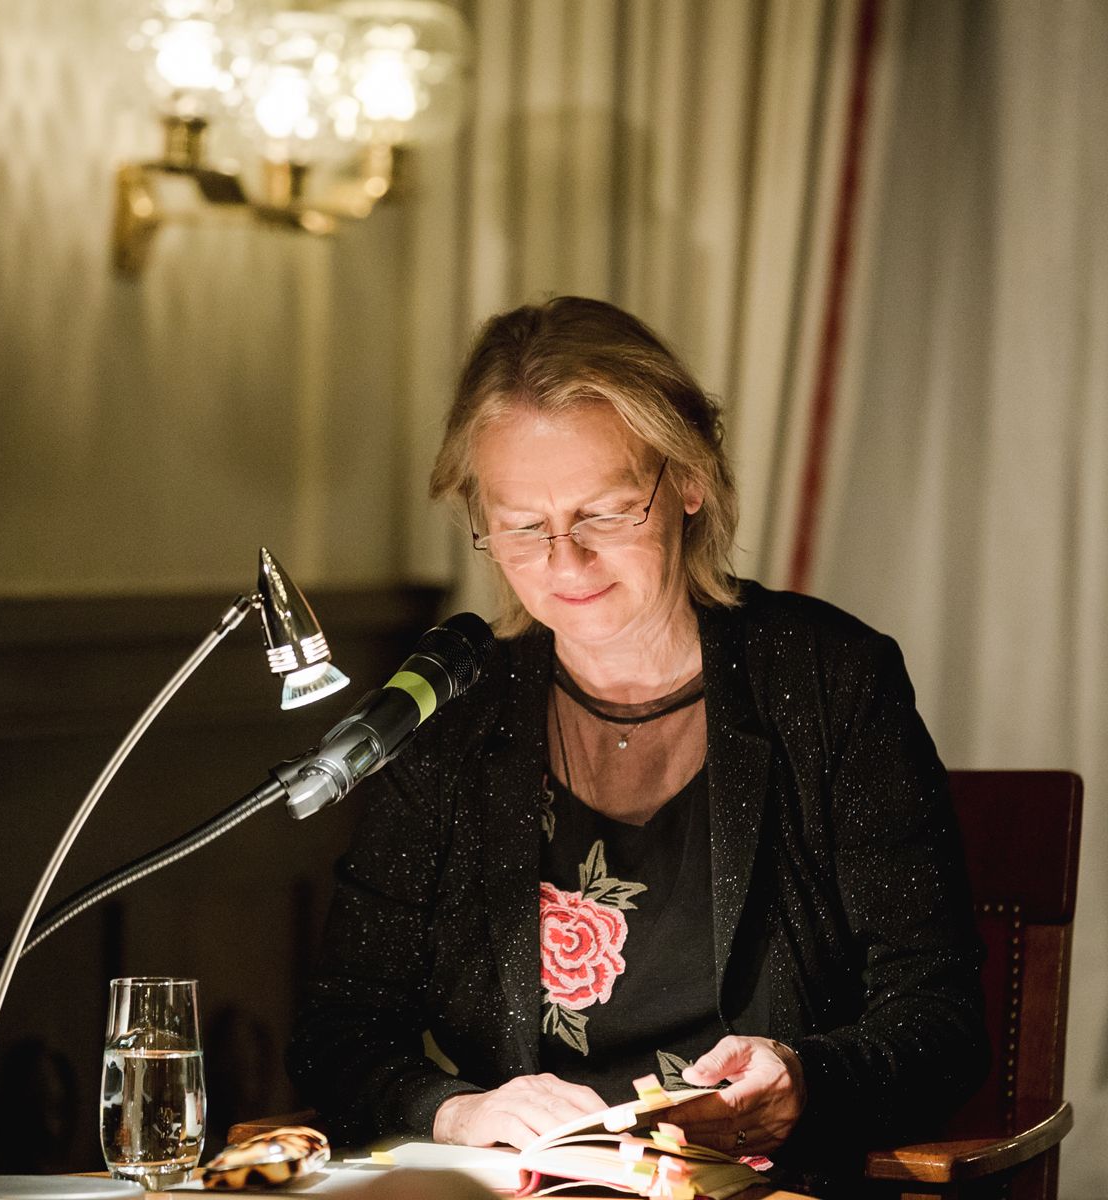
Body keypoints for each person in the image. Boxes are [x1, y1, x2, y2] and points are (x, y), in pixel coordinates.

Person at [286, 296, 988, 1191]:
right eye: (523, 525)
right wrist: (459, 1112)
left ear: (689, 481)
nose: (565, 562)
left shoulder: (829, 681)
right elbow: (339, 1031)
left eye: (607, 512)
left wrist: (805, 1078)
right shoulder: (452, 713)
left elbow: (940, 1020)